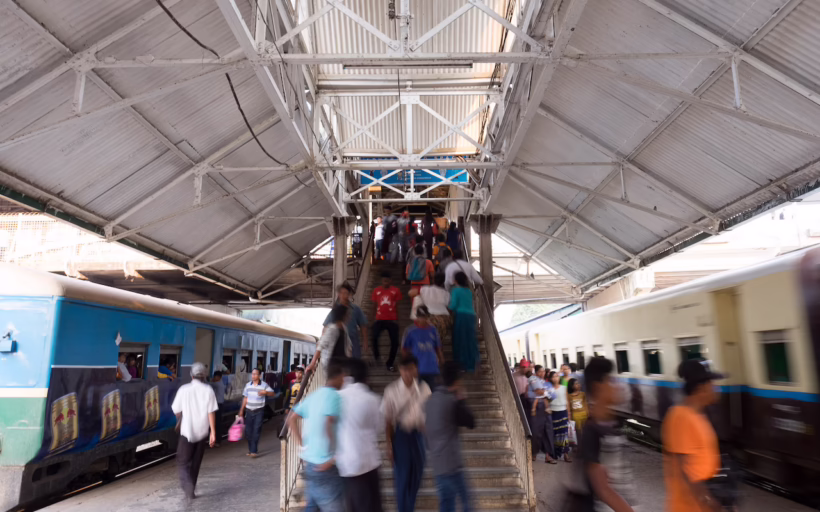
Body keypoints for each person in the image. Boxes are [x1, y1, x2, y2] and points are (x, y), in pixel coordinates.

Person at [567, 357, 635, 512]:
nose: (618, 385)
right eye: (611, 380)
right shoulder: (592, 430)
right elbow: (602, 490)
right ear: (598, 387)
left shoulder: (612, 423)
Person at [662, 360, 723, 512]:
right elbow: (685, 470)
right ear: (701, 388)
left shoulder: (697, 415)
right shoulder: (681, 417)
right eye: (712, 384)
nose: (717, 388)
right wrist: (707, 501)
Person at [288, 360, 346, 512]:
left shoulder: (314, 395)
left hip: (310, 464)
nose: (344, 381)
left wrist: (302, 445)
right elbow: (328, 424)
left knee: (312, 507)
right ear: (339, 377)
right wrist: (331, 457)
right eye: (343, 378)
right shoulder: (334, 396)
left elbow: (290, 419)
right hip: (325, 466)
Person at [382, 354, 431, 512]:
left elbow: (428, 416)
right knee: (402, 481)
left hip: (419, 438)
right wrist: (389, 444)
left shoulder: (424, 389)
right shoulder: (391, 390)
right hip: (401, 437)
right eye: (404, 370)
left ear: (416, 369)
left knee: (416, 478)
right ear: (399, 370)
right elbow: (388, 420)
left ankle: (408, 507)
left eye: (411, 369)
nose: (407, 373)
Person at [426, 361, 475, 512]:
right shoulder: (451, 401)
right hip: (452, 465)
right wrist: (462, 398)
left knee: (446, 504)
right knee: (466, 503)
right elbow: (470, 422)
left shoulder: (430, 400)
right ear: (456, 381)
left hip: (437, 463)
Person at [337, 359, 384, 512]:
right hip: (370, 462)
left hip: (347, 465)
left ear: (348, 376)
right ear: (366, 377)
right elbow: (379, 427)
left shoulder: (337, 398)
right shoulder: (372, 399)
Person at [171, 362, 218, 502]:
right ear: (204, 376)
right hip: (202, 433)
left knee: (182, 462)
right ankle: (191, 491)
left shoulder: (184, 389)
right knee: (196, 463)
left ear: (191, 375)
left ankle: (187, 487)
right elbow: (211, 412)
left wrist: (182, 414)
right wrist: (213, 432)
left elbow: (176, 410)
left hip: (187, 432)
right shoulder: (208, 390)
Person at [401, 305, 444, 391]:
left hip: (433, 369)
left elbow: (438, 349)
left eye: (424, 317)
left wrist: (442, 362)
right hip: (417, 371)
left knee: (434, 394)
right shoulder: (410, 331)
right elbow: (404, 350)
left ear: (428, 317)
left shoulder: (433, 330)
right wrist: (408, 367)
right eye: (420, 317)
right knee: (418, 395)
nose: (422, 319)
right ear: (417, 317)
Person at [324, 282, 369, 359]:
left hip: (353, 340)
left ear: (349, 295)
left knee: (354, 363)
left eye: (346, 293)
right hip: (338, 341)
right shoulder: (335, 310)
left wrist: (365, 340)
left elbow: (363, 325)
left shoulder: (355, 309)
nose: (344, 295)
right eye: (342, 293)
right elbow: (326, 326)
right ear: (339, 294)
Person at [238, 368, 274, 458]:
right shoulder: (248, 385)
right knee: (248, 432)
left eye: (255, 374)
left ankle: (253, 451)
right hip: (249, 411)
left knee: (256, 431)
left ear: (260, 376)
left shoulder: (264, 385)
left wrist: (266, 392)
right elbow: (245, 398)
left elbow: (272, 393)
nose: (253, 376)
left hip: (259, 411)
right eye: (252, 374)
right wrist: (241, 410)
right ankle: (251, 450)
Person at [371, 271, 403, 371]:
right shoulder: (376, 291)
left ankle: (390, 363)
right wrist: (373, 318)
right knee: (374, 338)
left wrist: (399, 319)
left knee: (395, 342)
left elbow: (398, 306)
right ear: (381, 281)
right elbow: (374, 305)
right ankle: (377, 358)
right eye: (383, 281)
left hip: (392, 319)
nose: (385, 282)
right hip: (379, 319)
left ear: (390, 281)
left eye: (387, 281)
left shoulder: (396, 290)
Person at [308, 304, 352, 374]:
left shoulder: (344, 328)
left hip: (341, 364)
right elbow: (320, 346)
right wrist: (312, 363)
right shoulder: (332, 329)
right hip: (331, 365)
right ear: (343, 316)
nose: (349, 317)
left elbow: (348, 346)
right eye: (348, 315)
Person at [449, 272, 479, 373]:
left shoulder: (456, 290)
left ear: (456, 280)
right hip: (471, 316)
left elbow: (453, 306)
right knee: (470, 340)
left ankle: (461, 365)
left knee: (460, 340)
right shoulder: (468, 291)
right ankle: (471, 365)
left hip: (461, 316)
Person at [409, 272, 451, 342]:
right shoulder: (446, 293)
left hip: (430, 318)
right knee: (439, 341)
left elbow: (411, 293)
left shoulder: (425, 289)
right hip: (444, 320)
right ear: (443, 281)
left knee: (428, 340)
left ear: (433, 280)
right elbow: (449, 307)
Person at [529, 366, 557, 464]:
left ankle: (548, 456)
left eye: (544, 371)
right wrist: (544, 393)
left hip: (546, 409)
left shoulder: (547, 383)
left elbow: (553, 395)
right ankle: (534, 453)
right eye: (540, 371)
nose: (543, 373)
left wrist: (542, 393)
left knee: (548, 432)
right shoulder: (532, 380)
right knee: (536, 432)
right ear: (536, 372)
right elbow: (532, 394)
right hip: (536, 410)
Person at [549, 370, 572, 462]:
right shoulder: (549, 389)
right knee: (555, 434)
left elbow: (567, 401)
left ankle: (566, 454)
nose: (555, 378)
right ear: (551, 378)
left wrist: (569, 413)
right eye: (553, 376)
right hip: (553, 413)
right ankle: (555, 453)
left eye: (557, 376)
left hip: (563, 412)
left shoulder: (563, 388)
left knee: (564, 434)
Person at [211, 371, 226, 444]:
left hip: (218, 405)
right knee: (217, 422)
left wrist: (206, 379)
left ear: (219, 377)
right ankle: (217, 439)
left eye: (215, 376)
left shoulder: (218, 384)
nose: (214, 378)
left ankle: (218, 440)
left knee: (217, 423)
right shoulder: (220, 383)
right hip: (219, 405)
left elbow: (208, 384)